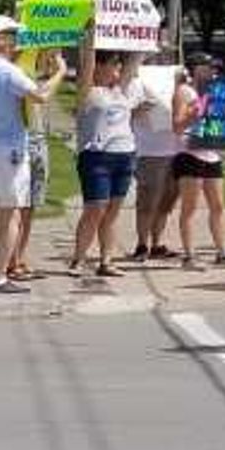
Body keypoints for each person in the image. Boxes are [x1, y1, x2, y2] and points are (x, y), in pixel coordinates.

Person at [0, 19, 63, 294]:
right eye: (10, 36)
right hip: (9, 147)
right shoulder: (8, 71)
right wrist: (60, 73)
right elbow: (41, 96)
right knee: (11, 215)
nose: (15, 41)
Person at [173, 53, 225, 268]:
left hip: (211, 153)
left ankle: (222, 252)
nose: (214, 71)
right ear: (195, 68)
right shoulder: (184, 91)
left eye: (215, 68)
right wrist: (192, 116)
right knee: (190, 207)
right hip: (189, 153)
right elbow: (177, 126)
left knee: (218, 205)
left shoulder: (216, 91)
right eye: (209, 67)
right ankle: (188, 255)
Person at [71, 48, 139, 279]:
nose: (118, 70)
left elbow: (134, 60)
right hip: (97, 156)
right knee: (95, 209)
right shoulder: (90, 92)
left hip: (125, 155)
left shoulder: (121, 91)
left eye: (119, 65)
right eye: (113, 65)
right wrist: (90, 40)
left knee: (112, 211)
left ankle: (106, 260)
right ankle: (79, 259)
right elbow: (87, 64)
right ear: (100, 67)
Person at [128, 47, 187, 262]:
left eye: (168, 56)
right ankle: (142, 244)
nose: (165, 59)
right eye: (162, 56)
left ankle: (157, 243)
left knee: (167, 201)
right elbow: (124, 111)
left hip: (176, 149)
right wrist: (137, 110)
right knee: (148, 200)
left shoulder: (178, 83)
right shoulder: (138, 82)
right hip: (150, 151)